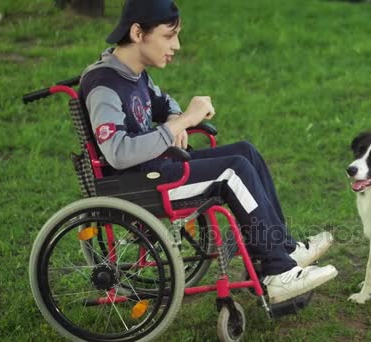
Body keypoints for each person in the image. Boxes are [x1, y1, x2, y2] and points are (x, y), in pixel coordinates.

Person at [78, 0, 337, 304]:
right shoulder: (104, 85)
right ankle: (277, 273)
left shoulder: (135, 74)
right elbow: (118, 153)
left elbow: (166, 104)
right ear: (138, 32)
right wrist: (185, 121)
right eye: (168, 35)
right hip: (137, 183)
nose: (176, 45)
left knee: (246, 152)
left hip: (155, 169)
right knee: (233, 171)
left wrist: (176, 118)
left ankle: (284, 249)